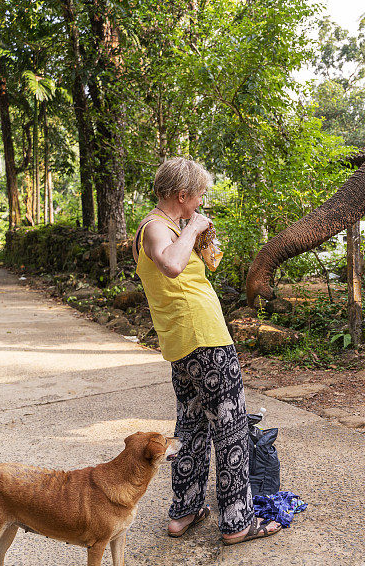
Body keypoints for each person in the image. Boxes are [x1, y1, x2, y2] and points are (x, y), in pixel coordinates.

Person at [133, 157, 280, 544]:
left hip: (183, 344)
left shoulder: (164, 228)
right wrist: (194, 226)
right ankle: (237, 523)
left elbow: (185, 265)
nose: (200, 203)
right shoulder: (155, 229)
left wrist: (196, 236)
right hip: (206, 340)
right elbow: (170, 266)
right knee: (229, 429)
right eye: (198, 197)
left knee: (192, 428)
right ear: (181, 195)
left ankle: (185, 510)